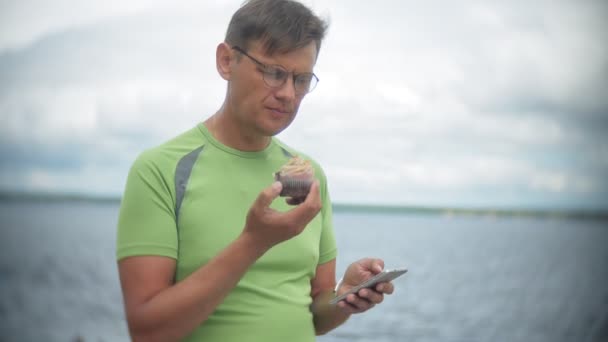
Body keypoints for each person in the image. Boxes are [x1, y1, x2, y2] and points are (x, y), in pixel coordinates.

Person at [116, 0, 396, 341]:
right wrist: (253, 243)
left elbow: (314, 315)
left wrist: (344, 297)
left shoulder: (308, 174)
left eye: (302, 79)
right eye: (274, 73)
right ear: (226, 61)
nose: (288, 94)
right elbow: (147, 331)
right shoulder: (160, 170)